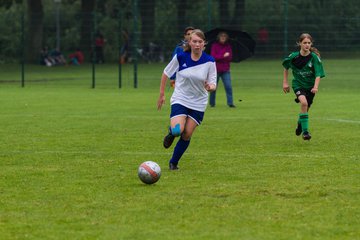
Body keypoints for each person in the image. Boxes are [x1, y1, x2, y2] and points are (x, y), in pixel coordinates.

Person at [157, 29, 217, 170]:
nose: (197, 44)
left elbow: (213, 83)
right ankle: (171, 133)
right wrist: (161, 94)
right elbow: (166, 73)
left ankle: (173, 163)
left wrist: (210, 87)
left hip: (199, 102)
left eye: (200, 42)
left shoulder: (209, 61)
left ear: (204, 44)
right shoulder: (180, 57)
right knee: (178, 130)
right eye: (194, 41)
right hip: (181, 98)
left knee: (187, 134)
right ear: (189, 42)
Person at [282, 33, 325, 140]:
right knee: (304, 103)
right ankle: (305, 132)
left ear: (311, 44)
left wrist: (315, 87)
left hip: (310, 87)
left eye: (309, 43)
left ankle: (300, 124)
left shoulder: (314, 57)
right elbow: (286, 67)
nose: (307, 45)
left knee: (306, 108)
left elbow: (318, 74)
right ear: (299, 43)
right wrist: (285, 83)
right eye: (304, 43)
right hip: (298, 85)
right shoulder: (293, 56)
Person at [209, 31, 236, 107]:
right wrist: (223, 56)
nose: (223, 38)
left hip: (225, 70)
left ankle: (230, 103)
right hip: (216, 70)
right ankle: (212, 103)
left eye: (224, 36)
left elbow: (230, 58)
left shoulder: (228, 46)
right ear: (219, 38)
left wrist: (222, 57)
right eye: (222, 36)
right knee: (213, 87)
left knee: (228, 86)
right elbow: (213, 57)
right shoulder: (215, 46)